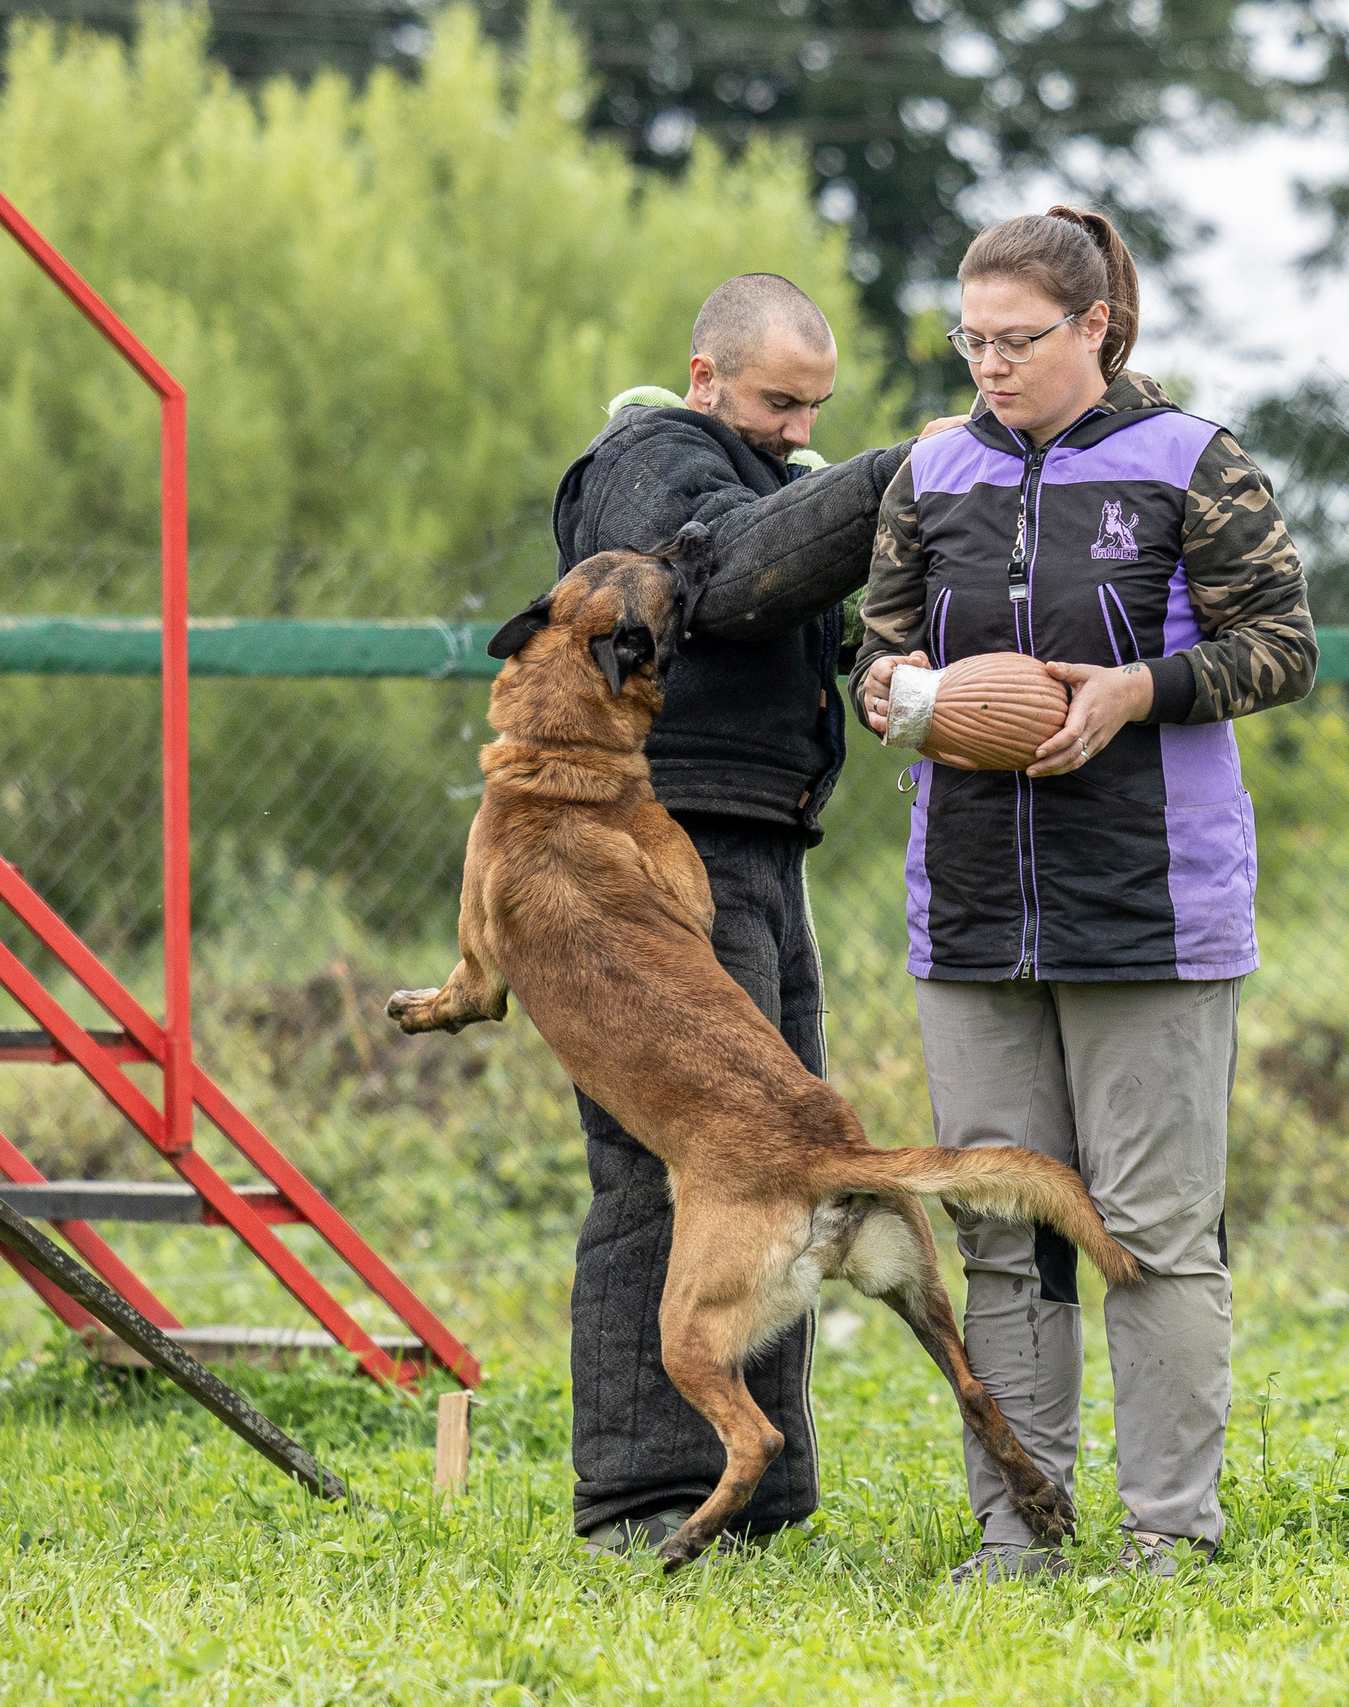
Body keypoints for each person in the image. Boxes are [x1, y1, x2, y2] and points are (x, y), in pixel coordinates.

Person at [853, 207, 1317, 1583]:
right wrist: (891, 693)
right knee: (1002, 1232)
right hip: (973, 908)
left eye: (1017, 339)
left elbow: (1282, 646)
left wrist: (1135, 690)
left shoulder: (1194, 462)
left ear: (1097, 328)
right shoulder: (929, 472)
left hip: (1154, 910)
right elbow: (879, 654)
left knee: (1155, 1234)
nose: (988, 364)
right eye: (969, 339)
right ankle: (1020, 1530)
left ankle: (1171, 1531)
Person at [552, 273, 949, 1553]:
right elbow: (719, 575)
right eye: (779, 401)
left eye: (816, 407)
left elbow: (803, 603)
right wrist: (892, 473)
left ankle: (756, 1497)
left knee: (775, 1166)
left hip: (756, 851)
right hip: (655, 854)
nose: (796, 426)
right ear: (707, 377)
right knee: (666, 1172)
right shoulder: (647, 459)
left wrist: (894, 665)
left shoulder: (765, 473)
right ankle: (640, 1496)